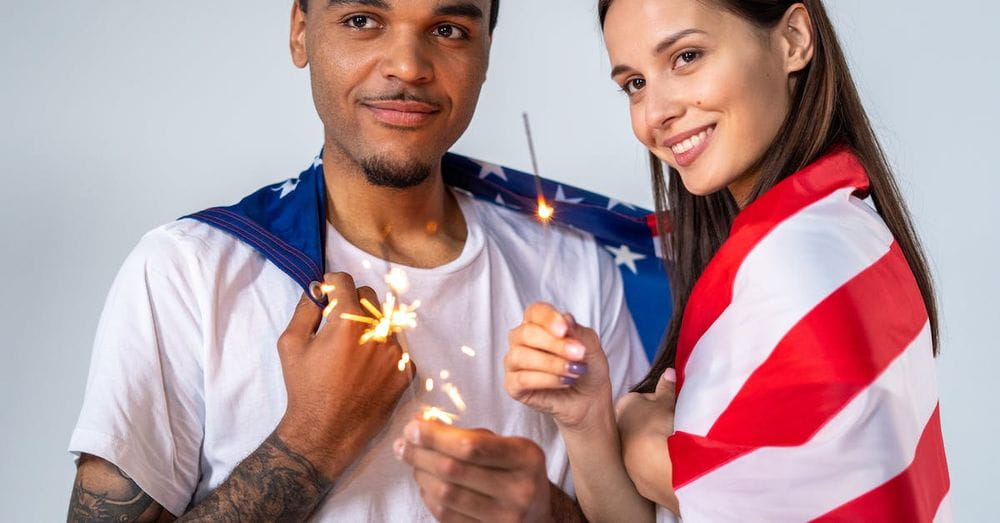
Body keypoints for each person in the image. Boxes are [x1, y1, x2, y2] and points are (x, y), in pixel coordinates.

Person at [66, 0, 649, 520]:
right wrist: (312, 439)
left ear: (487, 52)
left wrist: (548, 516)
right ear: (300, 31)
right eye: (362, 21)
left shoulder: (576, 268)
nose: (408, 66)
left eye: (448, 28)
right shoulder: (188, 271)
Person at [491, 0, 952, 521]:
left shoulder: (802, 256)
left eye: (686, 56)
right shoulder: (803, 237)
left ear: (794, 39)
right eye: (634, 84)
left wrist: (649, 454)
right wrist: (587, 420)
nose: (655, 113)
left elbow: (835, 507)